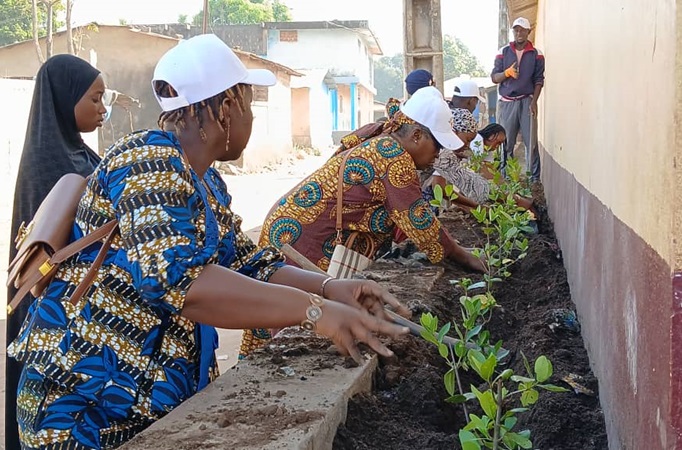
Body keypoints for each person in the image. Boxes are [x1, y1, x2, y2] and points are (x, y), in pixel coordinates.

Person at [7, 34, 409, 450]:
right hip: (83, 410)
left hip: (139, 402)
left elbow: (248, 263)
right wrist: (314, 311)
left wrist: (330, 288)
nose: (251, 117)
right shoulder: (146, 162)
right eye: (250, 104)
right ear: (227, 106)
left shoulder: (205, 181)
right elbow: (176, 282)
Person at [259, 85, 484, 280]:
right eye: (438, 146)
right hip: (296, 242)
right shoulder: (392, 158)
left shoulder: (384, 141)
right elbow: (420, 221)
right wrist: (465, 257)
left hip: (295, 232)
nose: (439, 154)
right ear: (416, 135)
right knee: (300, 316)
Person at [5, 54, 107, 450]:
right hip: (49, 304)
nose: (102, 108)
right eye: (94, 98)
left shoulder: (80, 153)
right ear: (66, 100)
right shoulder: (47, 163)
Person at [491, 16, 544, 181]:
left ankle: (534, 181)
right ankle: (506, 179)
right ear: (513, 31)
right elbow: (494, 77)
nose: (519, 33)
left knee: (531, 142)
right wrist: (506, 73)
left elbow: (538, 80)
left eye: (522, 30)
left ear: (529, 32)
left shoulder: (536, 54)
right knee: (506, 142)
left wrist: (534, 101)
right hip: (507, 102)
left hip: (527, 100)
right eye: (516, 30)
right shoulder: (504, 52)